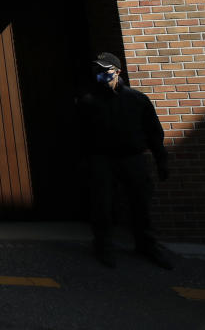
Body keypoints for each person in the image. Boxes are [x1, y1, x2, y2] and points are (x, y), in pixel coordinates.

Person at [76, 52, 172, 269]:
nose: (100, 74)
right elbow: (80, 134)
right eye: (97, 70)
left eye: (105, 70)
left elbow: (154, 132)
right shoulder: (88, 101)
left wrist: (161, 161)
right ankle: (103, 246)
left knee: (140, 204)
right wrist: (84, 161)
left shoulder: (137, 99)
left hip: (132, 158)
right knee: (103, 206)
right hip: (101, 160)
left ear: (118, 71)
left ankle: (146, 245)